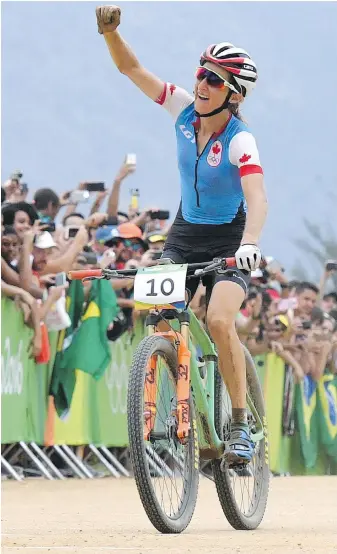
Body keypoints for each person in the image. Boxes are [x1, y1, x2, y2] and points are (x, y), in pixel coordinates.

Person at [96, 5, 268, 466]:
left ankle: (239, 425)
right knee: (161, 312)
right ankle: (177, 388)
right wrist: (111, 33)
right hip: (184, 234)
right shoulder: (181, 110)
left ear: (233, 95)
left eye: (214, 80)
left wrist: (249, 244)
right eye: (201, 73)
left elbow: (257, 197)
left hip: (231, 239)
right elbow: (131, 68)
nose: (201, 84)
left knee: (217, 320)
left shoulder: (239, 140)